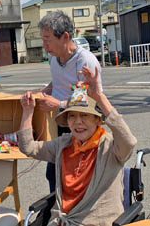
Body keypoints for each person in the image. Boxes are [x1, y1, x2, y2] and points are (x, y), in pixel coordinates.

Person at [18, 66, 137, 226]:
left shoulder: (111, 148)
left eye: (84, 115)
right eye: (72, 116)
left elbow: (129, 141)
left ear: (98, 120)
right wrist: (27, 111)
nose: (78, 122)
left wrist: (98, 96)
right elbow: (28, 147)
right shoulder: (63, 144)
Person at [37, 10, 103, 193]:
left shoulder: (85, 61)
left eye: (47, 39)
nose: (44, 45)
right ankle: (55, 212)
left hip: (80, 127)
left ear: (65, 37)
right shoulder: (54, 58)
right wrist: (43, 92)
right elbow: (58, 82)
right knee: (53, 173)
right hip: (57, 123)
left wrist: (58, 104)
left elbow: (91, 103)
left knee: (76, 175)